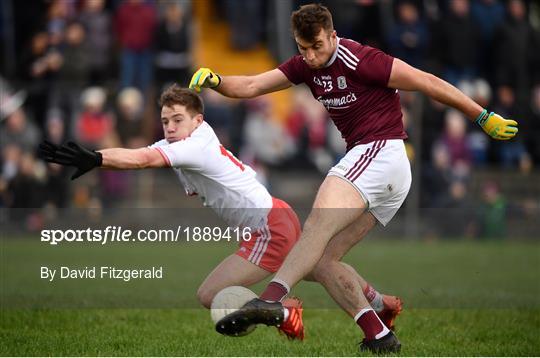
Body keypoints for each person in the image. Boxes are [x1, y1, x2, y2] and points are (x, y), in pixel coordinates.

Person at [189, 3, 518, 354]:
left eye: (317, 46)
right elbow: (254, 84)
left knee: (317, 221)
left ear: (332, 35)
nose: (311, 56)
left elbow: (426, 81)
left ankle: (272, 300)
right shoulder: (304, 65)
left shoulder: (361, 59)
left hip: (382, 152)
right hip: (379, 169)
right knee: (322, 260)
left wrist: (481, 115)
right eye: (303, 48)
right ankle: (379, 332)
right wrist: (217, 81)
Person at [39, 85, 303, 339]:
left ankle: (280, 312)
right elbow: (140, 154)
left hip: (267, 228)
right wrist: (97, 157)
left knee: (210, 295)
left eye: (177, 120)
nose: (170, 127)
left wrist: (96, 159)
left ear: (198, 121)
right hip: (277, 212)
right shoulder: (192, 138)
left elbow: (142, 160)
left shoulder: (192, 147)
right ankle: (306, 314)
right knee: (320, 268)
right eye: (165, 121)